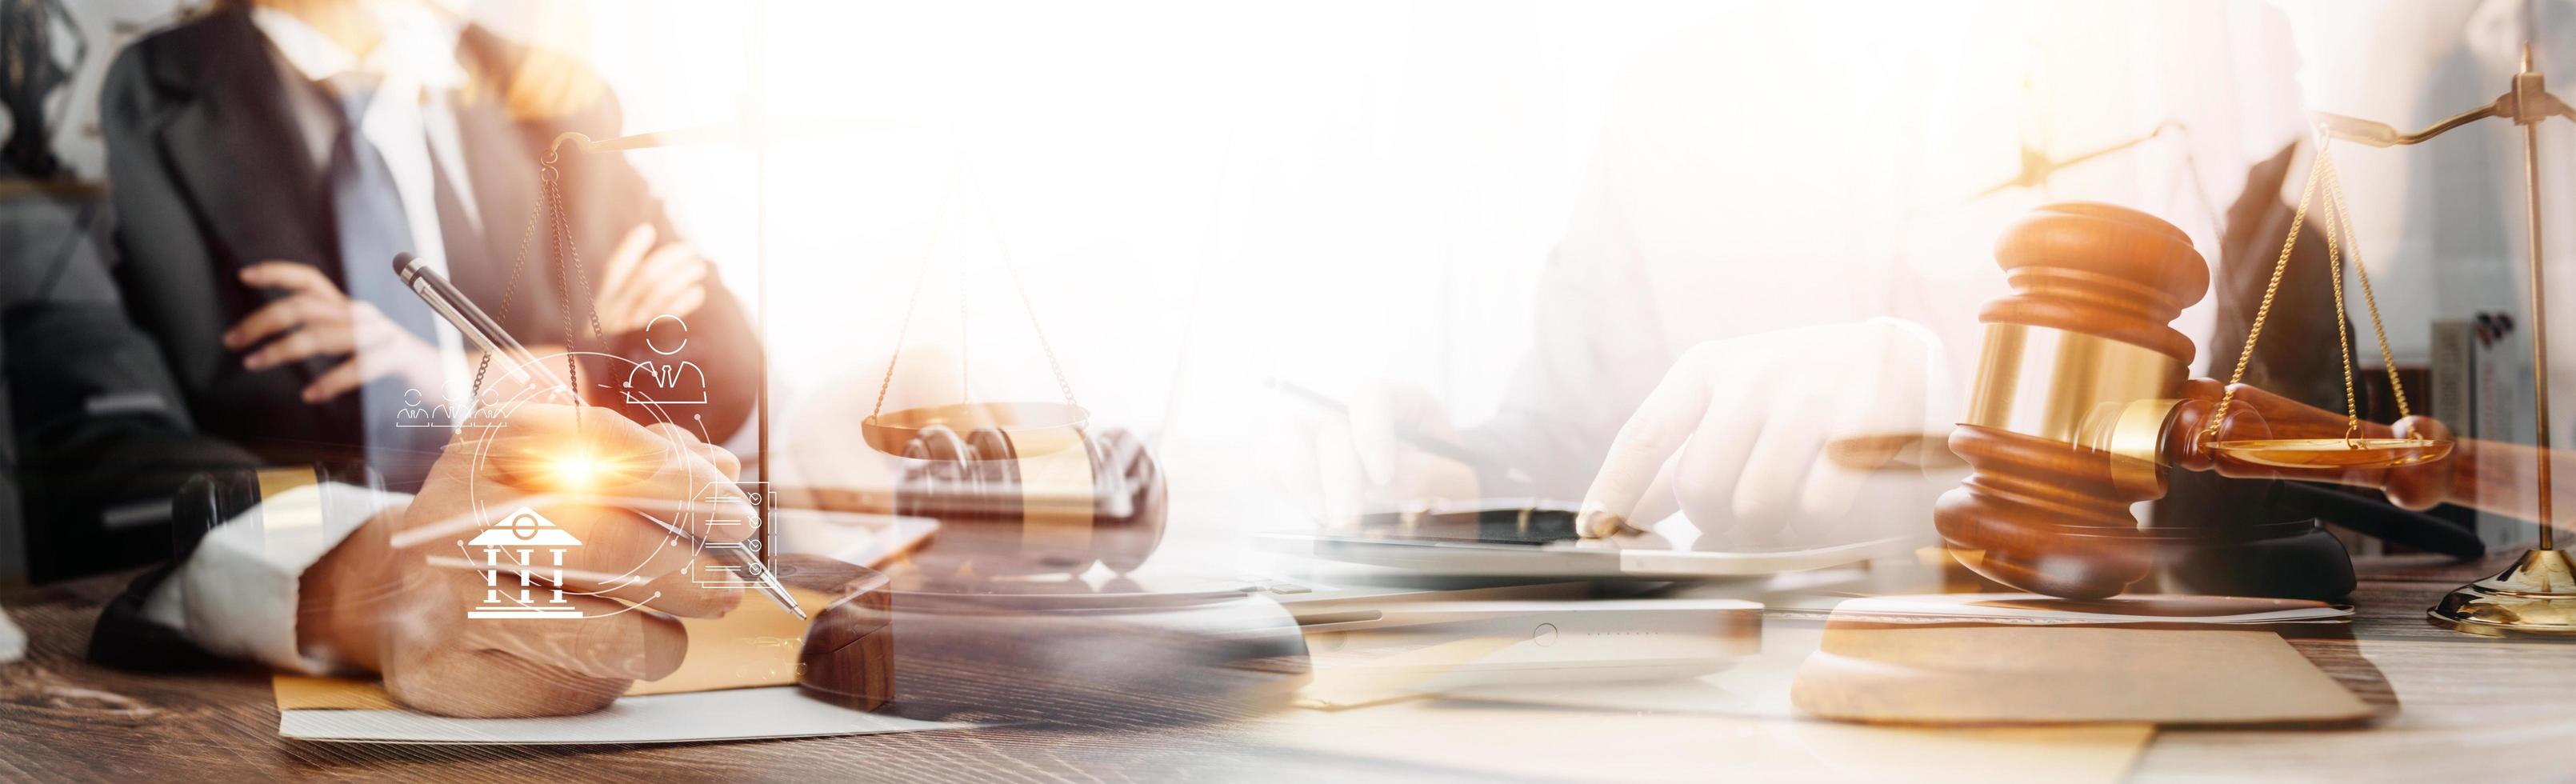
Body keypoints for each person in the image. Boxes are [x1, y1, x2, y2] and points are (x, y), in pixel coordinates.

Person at [57, 0, 762, 714]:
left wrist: (473, 375)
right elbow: (103, 438)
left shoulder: (549, 95)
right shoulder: (137, 91)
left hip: (604, 614)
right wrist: (359, 573)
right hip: (246, 686)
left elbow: (722, 365)